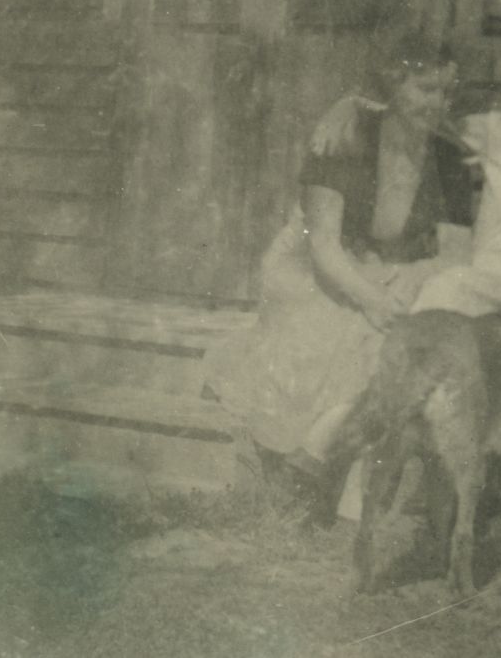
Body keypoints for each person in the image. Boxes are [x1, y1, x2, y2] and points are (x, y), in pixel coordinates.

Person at [200, 33, 475, 496]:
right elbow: (323, 244)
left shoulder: (449, 157)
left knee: (401, 337)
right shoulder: (345, 139)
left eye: (448, 91)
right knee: (344, 337)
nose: (439, 103)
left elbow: (457, 250)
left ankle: (311, 454)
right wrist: (371, 298)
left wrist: (411, 281)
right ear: (394, 85)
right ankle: (296, 454)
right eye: (426, 89)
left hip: (391, 269)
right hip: (316, 268)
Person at [310, 37, 501, 318]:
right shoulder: (496, 132)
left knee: (441, 293)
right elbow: (414, 110)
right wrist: (350, 106)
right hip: (482, 277)